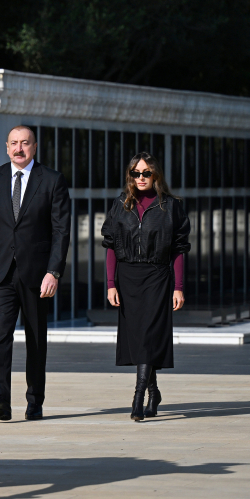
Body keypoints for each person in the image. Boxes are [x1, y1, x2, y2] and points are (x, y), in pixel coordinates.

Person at [0, 125, 71, 422]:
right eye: (14, 143)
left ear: (34, 146)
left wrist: (53, 271)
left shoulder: (52, 180)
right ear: (6, 147)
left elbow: (61, 231)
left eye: (25, 143)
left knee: (35, 339)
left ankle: (35, 400)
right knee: (1, 335)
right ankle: (0, 401)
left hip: (36, 274)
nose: (19, 148)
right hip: (0, 272)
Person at [101, 152, 190, 421]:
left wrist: (178, 286)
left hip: (157, 276)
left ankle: (138, 397)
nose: (141, 178)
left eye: (146, 173)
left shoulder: (171, 206)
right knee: (138, 338)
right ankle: (154, 390)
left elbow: (178, 250)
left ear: (156, 175)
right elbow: (111, 247)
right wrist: (110, 284)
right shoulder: (121, 204)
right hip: (128, 278)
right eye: (136, 173)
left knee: (149, 334)